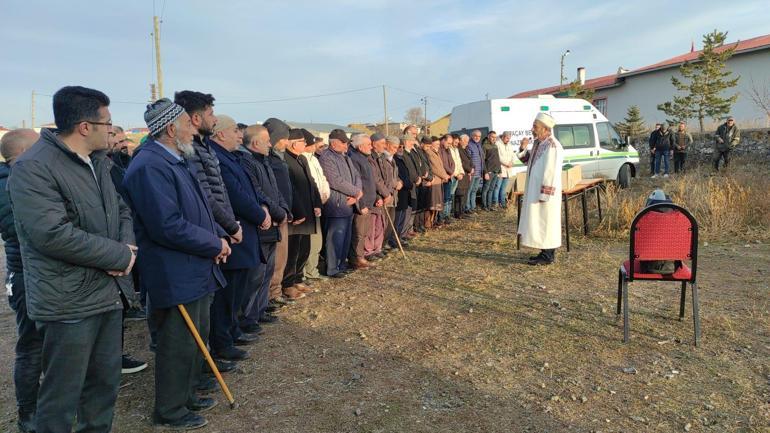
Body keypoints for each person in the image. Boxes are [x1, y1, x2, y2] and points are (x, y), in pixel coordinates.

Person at [9, 86, 137, 433]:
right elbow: (51, 234)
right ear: (85, 126)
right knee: (62, 395)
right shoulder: (33, 168)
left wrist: (127, 251)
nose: (112, 130)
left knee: (103, 387)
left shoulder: (98, 162)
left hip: (107, 293)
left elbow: (122, 210)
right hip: (68, 302)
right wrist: (117, 254)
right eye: (107, 123)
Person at [123, 98, 230, 429]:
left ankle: (189, 393)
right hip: (173, 269)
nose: (193, 128)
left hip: (194, 263)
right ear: (171, 129)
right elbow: (166, 225)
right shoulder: (150, 166)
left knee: (197, 334)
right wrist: (213, 242)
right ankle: (170, 410)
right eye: (187, 124)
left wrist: (215, 241)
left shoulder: (176, 159)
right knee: (178, 342)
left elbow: (198, 210)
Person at [209, 115, 270, 361]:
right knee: (228, 292)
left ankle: (232, 330)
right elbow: (234, 196)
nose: (239, 135)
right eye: (235, 130)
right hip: (235, 231)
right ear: (221, 134)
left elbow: (251, 190)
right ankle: (223, 340)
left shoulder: (230, 156)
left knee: (237, 290)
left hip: (246, 229)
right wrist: (259, 214)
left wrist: (263, 207)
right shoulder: (218, 159)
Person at [0, 128, 40, 433]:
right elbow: (21, 230)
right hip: (27, 277)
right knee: (31, 347)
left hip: (41, 274)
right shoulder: (7, 185)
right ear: (25, 153)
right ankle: (29, 415)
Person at [238, 125, 289, 332]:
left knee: (267, 271)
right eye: (267, 140)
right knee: (256, 275)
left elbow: (275, 191)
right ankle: (248, 318)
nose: (270, 144)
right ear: (256, 143)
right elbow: (257, 192)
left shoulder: (265, 161)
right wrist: (277, 212)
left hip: (273, 223)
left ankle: (260, 310)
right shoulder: (247, 162)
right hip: (261, 226)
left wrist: (283, 208)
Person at [516, 112, 564, 266]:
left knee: (547, 222)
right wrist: (523, 148)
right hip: (535, 191)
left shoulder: (553, 146)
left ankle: (548, 255)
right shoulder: (539, 143)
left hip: (545, 194)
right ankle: (544, 252)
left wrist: (545, 193)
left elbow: (551, 171)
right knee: (540, 222)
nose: (532, 129)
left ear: (545, 129)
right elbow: (528, 161)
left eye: (535, 127)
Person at [318, 129, 362, 278]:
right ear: (334, 142)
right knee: (334, 239)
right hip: (336, 204)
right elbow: (335, 180)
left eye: (347, 142)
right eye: (343, 142)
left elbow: (356, 176)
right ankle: (332, 268)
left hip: (349, 204)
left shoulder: (346, 157)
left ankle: (341, 264)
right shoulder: (326, 157)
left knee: (345, 237)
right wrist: (355, 192)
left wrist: (357, 193)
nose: (346, 145)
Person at [283, 129, 322, 291]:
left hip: (308, 212)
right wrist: (297, 210)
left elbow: (312, 183)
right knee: (292, 250)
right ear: (293, 143)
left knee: (304, 249)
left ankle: (298, 278)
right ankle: (288, 283)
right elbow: (289, 189)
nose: (306, 145)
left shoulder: (302, 160)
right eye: (302, 142)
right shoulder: (285, 160)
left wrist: (317, 203)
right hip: (296, 214)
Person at [263, 118, 295, 303]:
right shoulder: (266, 161)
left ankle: (275, 292)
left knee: (281, 258)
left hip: (283, 213)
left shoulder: (277, 159)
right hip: (273, 216)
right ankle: (269, 296)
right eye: (283, 138)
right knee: (273, 259)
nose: (285, 142)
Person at [301, 130, 330, 281]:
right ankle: (306, 272)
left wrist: (325, 194)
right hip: (309, 206)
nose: (313, 147)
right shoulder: (301, 159)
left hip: (319, 204)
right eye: (310, 144)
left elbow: (322, 179)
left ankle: (313, 270)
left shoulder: (314, 160)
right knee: (310, 243)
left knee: (317, 242)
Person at [347, 133, 377, 270]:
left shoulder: (365, 158)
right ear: (360, 146)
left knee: (364, 232)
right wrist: (361, 204)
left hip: (370, 201)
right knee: (358, 233)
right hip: (362, 203)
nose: (371, 147)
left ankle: (360, 256)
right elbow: (357, 183)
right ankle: (356, 258)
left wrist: (376, 197)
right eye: (368, 144)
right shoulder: (354, 159)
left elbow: (370, 181)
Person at [394, 136, 420, 245]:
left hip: (407, 189)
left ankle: (400, 236)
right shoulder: (395, 159)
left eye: (402, 147)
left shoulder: (401, 159)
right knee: (398, 218)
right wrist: (407, 183)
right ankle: (395, 239)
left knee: (404, 215)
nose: (400, 149)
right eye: (398, 147)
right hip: (400, 191)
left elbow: (408, 172)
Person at [424, 136, 449, 227]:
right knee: (432, 203)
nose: (438, 145)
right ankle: (428, 223)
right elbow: (434, 168)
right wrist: (444, 176)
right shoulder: (429, 153)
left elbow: (441, 167)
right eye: (437, 144)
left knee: (437, 203)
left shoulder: (435, 152)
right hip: (434, 181)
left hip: (439, 181)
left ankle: (433, 221)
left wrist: (444, 176)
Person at [438, 134, 456, 224]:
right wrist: (449, 172)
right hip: (444, 177)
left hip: (449, 176)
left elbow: (452, 161)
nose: (449, 145)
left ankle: (447, 215)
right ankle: (443, 216)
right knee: (444, 198)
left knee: (448, 197)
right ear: (443, 140)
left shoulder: (448, 149)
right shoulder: (439, 149)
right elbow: (442, 164)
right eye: (448, 143)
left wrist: (452, 171)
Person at [454, 134, 474, 219]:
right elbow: (462, 163)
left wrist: (472, 168)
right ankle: (458, 213)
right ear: (461, 140)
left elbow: (470, 160)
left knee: (465, 194)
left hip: (467, 175)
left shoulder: (465, 149)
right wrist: (469, 169)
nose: (467, 143)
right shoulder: (458, 150)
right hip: (462, 174)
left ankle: (462, 211)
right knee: (460, 194)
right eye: (465, 141)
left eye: (467, 141)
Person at [481, 130, 501, 210]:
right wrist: (485, 172)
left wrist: (500, 171)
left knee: (491, 189)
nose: (494, 139)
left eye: (495, 137)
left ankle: (489, 206)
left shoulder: (495, 146)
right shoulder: (484, 146)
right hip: (489, 171)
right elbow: (482, 160)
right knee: (485, 189)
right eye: (492, 137)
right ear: (488, 136)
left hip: (496, 171)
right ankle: (484, 206)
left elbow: (497, 159)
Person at [496, 131, 517, 208]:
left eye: (509, 138)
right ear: (503, 137)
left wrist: (511, 162)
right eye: (507, 138)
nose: (508, 140)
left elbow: (513, 155)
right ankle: (497, 203)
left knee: (504, 188)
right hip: (501, 168)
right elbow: (498, 157)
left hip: (508, 169)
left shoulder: (509, 145)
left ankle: (503, 203)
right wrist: (506, 164)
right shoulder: (498, 144)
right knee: (497, 187)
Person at [466, 129, 484, 212]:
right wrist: (470, 171)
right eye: (475, 136)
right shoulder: (469, 145)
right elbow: (468, 159)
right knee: (469, 190)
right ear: (472, 136)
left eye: (479, 136)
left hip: (479, 172)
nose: (477, 137)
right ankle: (468, 207)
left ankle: (473, 207)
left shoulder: (479, 145)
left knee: (474, 190)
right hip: (472, 172)